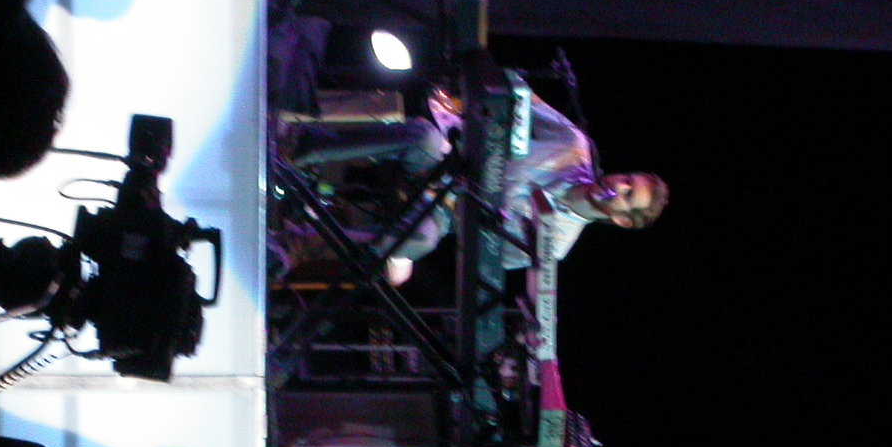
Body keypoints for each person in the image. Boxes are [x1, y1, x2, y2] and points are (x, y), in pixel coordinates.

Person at [282, 88, 668, 279]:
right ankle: (298, 147)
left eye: (627, 197)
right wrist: (466, 104)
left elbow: (485, 258)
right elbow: (523, 98)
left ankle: (297, 244)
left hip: (446, 214)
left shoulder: (557, 245)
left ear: (622, 219)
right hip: (449, 163)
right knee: (423, 135)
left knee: (422, 240)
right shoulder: (573, 145)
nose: (617, 188)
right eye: (626, 180)